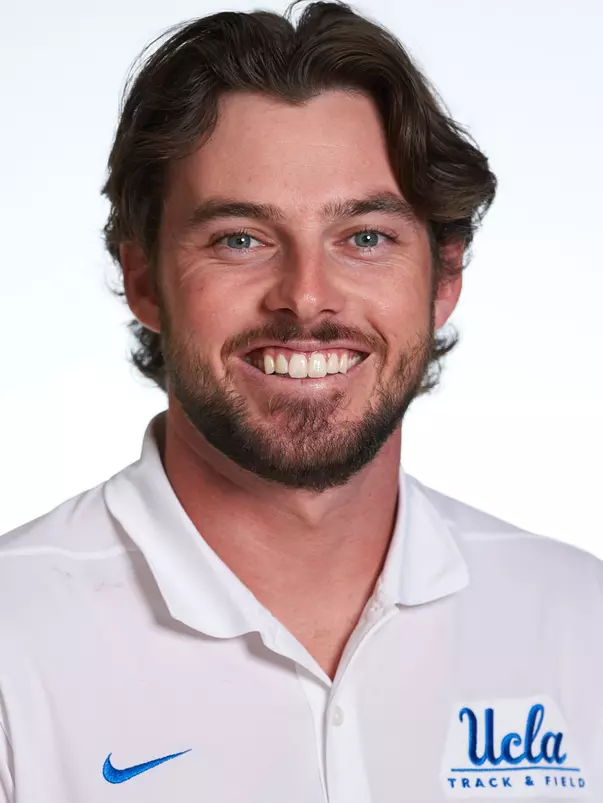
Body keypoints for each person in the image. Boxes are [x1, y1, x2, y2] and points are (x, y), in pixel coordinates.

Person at [0, 1, 601, 800]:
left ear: (443, 276)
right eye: (239, 238)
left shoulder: (578, 622)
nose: (307, 296)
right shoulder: (15, 641)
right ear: (144, 279)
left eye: (365, 237)